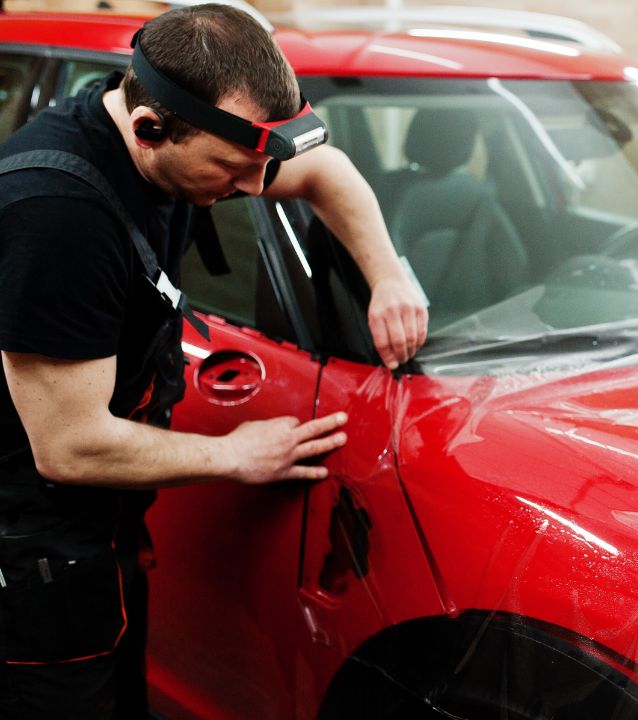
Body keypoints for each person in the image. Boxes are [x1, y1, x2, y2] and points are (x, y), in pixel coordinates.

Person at [0, 5, 427, 718]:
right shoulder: (54, 217)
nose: (257, 191)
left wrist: (388, 276)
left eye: (263, 167)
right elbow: (69, 446)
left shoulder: (165, 130)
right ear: (149, 129)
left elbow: (325, 169)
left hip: (102, 534)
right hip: (33, 552)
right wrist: (235, 454)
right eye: (233, 171)